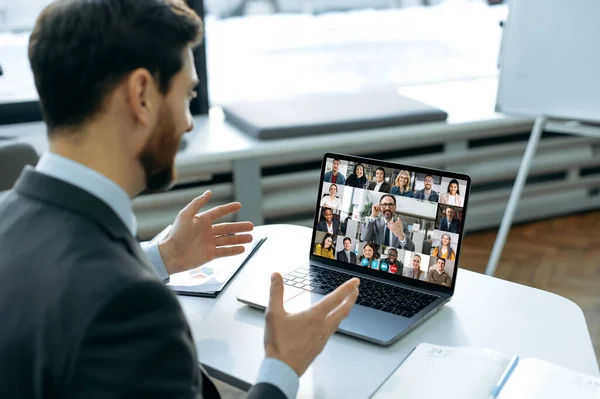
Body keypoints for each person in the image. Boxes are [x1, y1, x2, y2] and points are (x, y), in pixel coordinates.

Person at [0, 1, 360, 398]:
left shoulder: (7, 220)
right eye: (187, 94)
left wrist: (160, 257)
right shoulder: (130, 307)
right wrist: (282, 366)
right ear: (141, 95)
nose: (189, 122)